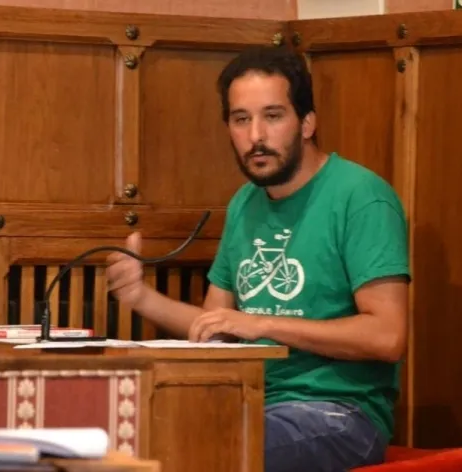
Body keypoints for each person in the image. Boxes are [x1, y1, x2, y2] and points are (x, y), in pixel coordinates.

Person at [106, 45, 410, 472]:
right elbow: (216, 328)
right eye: (241, 119)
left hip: (338, 414)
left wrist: (263, 324)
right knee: (125, 438)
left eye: (273, 116)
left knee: (207, 449)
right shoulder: (245, 203)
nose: (256, 137)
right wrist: (140, 296)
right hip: (249, 401)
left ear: (307, 123)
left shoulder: (361, 197)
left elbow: (387, 336)